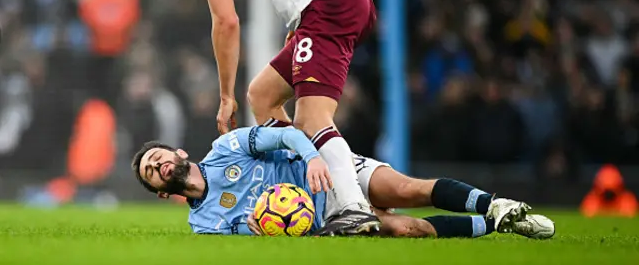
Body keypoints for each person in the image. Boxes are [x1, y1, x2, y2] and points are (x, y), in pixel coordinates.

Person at [141, 0, 379, 235]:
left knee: (313, 117)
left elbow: (226, 21)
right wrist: (305, 17)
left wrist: (223, 96)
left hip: (328, 3)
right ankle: (307, 185)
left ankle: (351, 207)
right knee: (263, 95)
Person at [131, 122, 555, 239]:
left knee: (409, 191)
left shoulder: (226, 148)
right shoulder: (202, 225)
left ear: (177, 153)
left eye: (158, 157)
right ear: (160, 191)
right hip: (321, 219)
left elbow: (287, 134)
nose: (159, 166)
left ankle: (493, 204)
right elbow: (250, 233)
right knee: (410, 229)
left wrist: (313, 157)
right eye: (152, 173)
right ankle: (500, 224)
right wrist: (269, 230)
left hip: (330, 172)